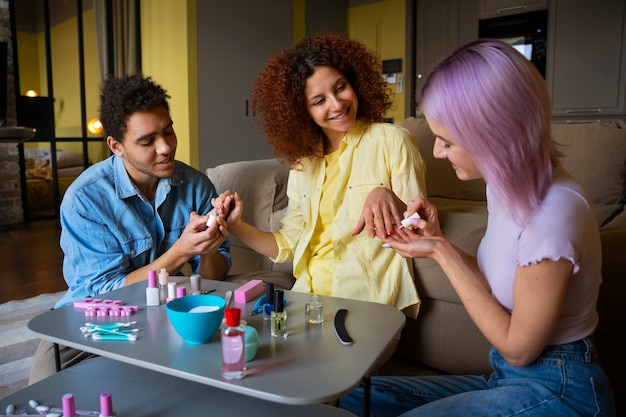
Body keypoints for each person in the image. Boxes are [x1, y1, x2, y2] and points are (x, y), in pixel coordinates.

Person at [338, 39, 616, 416]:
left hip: (561, 386)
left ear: (493, 135)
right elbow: (493, 280)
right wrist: (438, 241)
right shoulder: (506, 187)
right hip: (507, 376)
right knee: (356, 395)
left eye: (446, 141)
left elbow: (519, 348)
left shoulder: (554, 212)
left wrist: (439, 252)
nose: (436, 151)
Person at [29, 74, 231, 384]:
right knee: (46, 379)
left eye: (169, 131)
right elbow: (105, 290)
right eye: (147, 140)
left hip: (173, 309)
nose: (165, 147)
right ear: (116, 146)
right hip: (99, 315)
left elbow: (215, 277)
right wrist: (181, 251)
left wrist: (211, 243)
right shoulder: (85, 200)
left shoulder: (196, 186)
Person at [212, 33, 427, 317]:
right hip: (307, 301)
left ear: (355, 83)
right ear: (302, 112)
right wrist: (236, 225)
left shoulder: (392, 141)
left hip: (368, 306)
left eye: (341, 88)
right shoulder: (305, 163)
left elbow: (420, 227)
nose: (337, 104)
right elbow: (288, 244)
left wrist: (387, 196)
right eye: (319, 100)